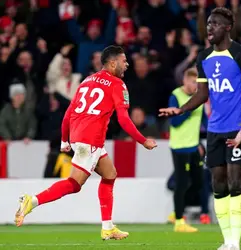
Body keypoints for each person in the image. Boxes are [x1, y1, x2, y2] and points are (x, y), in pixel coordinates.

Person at [14, 46, 157, 240]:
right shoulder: (117, 84)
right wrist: (142, 140)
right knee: (74, 184)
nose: (127, 64)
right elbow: (123, 119)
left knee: (110, 174)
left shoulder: (87, 81)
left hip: (80, 137)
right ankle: (32, 201)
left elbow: (68, 115)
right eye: (124, 61)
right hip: (91, 140)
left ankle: (107, 227)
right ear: (113, 63)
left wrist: (65, 140)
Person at [159, 7, 241, 250]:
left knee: (236, 183)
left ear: (227, 27)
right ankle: (227, 241)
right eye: (208, 24)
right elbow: (202, 94)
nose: (210, 28)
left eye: (215, 24)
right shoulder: (203, 57)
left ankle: (235, 242)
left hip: (237, 129)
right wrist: (181, 109)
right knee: (218, 185)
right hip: (214, 130)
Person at [166, 68, 208, 232]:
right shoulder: (175, 96)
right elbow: (174, 122)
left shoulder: (199, 97)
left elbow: (203, 122)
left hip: (194, 146)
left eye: (197, 83)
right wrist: (188, 109)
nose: (195, 86)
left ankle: (176, 211)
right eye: (192, 82)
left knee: (198, 182)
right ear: (185, 81)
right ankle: (178, 221)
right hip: (179, 147)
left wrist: (200, 143)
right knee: (182, 183)